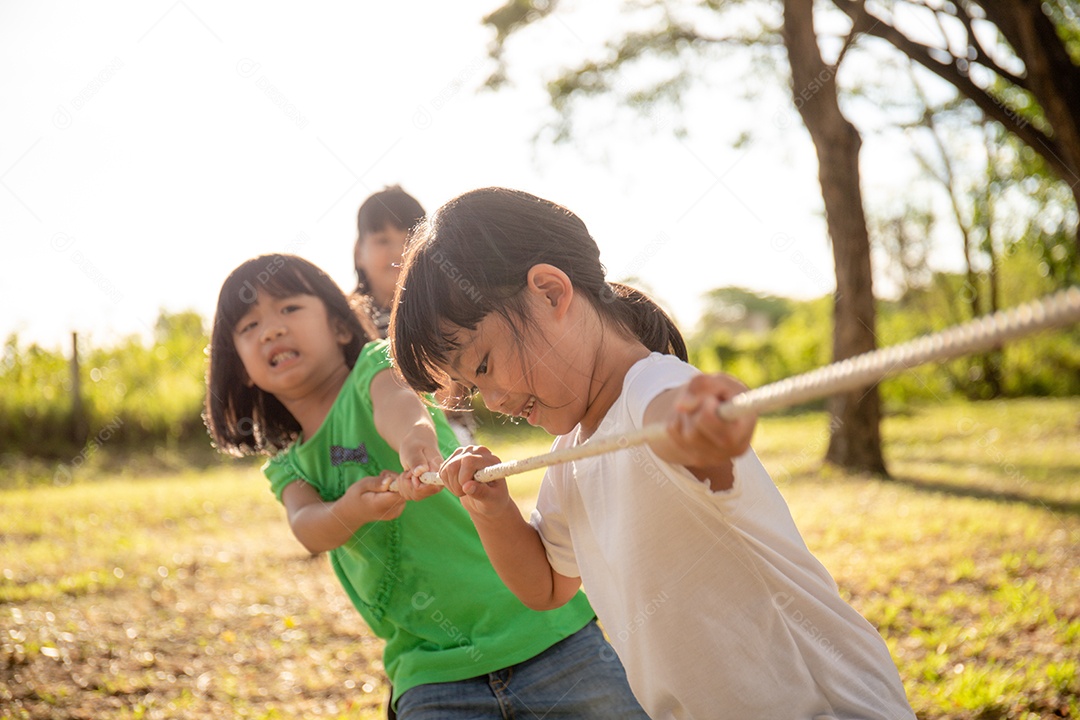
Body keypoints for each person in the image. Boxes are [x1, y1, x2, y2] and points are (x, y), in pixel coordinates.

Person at [389, 187, 917, 720]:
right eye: (472, 388)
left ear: (550, 292)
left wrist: (701, 419)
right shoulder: (571, 454)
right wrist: (493, 510)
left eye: (481, 366)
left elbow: (675, 421)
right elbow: (547, 585)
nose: (494, 400)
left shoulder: (651, 389)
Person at [204, 253, 649, 719]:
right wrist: (351, 510)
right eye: (250, 326)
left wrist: (417, 450)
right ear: (242, 366)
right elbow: (307, 527)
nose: (272, 328)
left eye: (289, 308)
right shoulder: (288, 463)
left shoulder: (372, 370)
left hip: (547, 634)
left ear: (339, 327)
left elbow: (401, 409)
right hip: (429, 670)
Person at [352, 184, 476, 444]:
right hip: (369, 441)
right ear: (359, 253)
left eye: (409, 238)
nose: (398, 251)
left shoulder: (443, 310)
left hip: (447, 434)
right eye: (382, 240)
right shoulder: (347, 320)